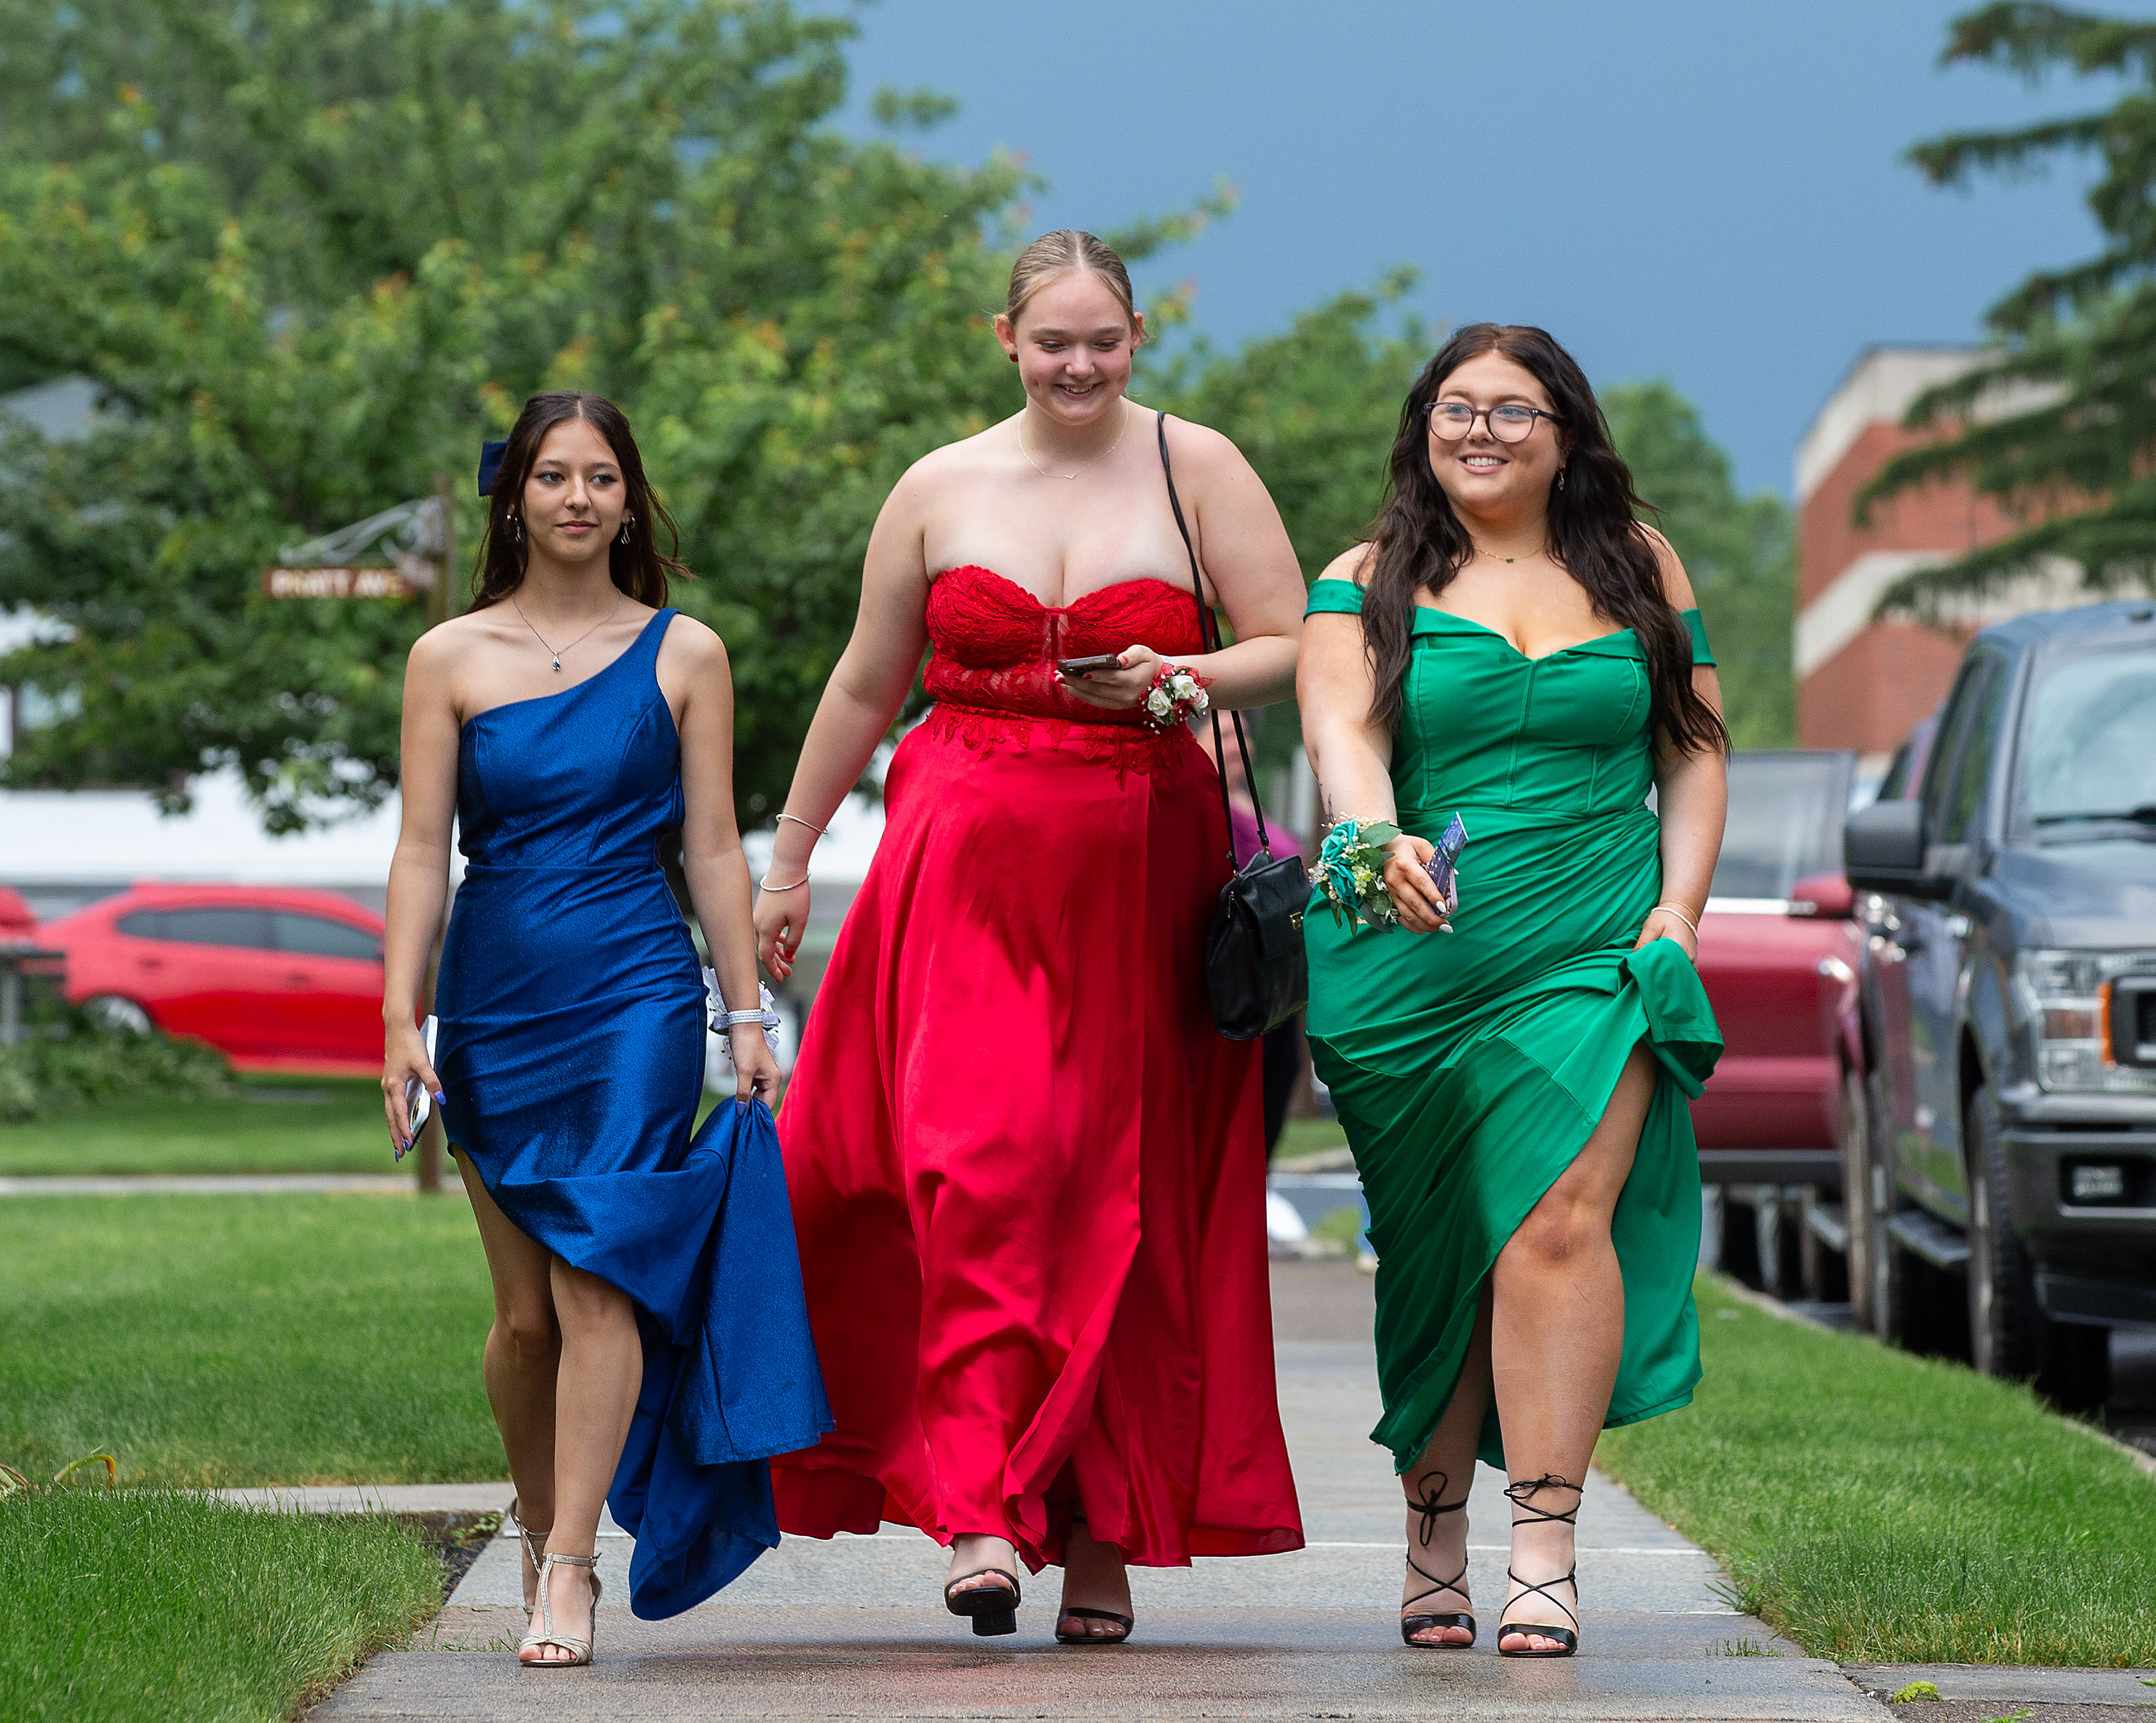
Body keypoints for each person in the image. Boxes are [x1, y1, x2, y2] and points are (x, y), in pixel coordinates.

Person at [754, 230, 1307, 1644]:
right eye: (1051, 341)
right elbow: (866, 678)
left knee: (1117, 1191)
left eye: (1101, 341)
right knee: (979, 1166)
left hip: (1140, 873)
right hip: (962, 871)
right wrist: (791, 856)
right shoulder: (938, 484)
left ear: (1137, 339)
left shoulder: (1198, 468)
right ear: (1004, 339)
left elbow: (1292, 642)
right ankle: (981, 1508)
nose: (1077, 366)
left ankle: (1100, 1532)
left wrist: (1179, 676)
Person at [381, 391, 830, 1669]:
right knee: (525, 1319)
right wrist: (399, 1015)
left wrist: (744, 1014)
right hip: (495, 998)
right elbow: (420, 849)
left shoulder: (687, 653)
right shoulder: (447, 657)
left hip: (636, 991)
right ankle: (539, 1533)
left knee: (598, 1283)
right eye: (552, 476)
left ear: (631, 501)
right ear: (514, 498)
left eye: (601, 477)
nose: (577, 498)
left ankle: (575, 1566)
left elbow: (711, 849)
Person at [1297, 324, 1727, 1659]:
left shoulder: (1639, 564)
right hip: (1412, 949)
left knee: (1552, 1224)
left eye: (1510, 410)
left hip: (1593, 944)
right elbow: (1340, 732)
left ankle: (1544, 1545)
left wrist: (1674, 913)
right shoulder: (1363, 577)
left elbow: (1693, 753)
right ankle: (1432, 1525)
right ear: (1421, 426)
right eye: (1455, 408)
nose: (1477, 431)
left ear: (1564, 433)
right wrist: (1373, 837)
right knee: (1438, 1249)